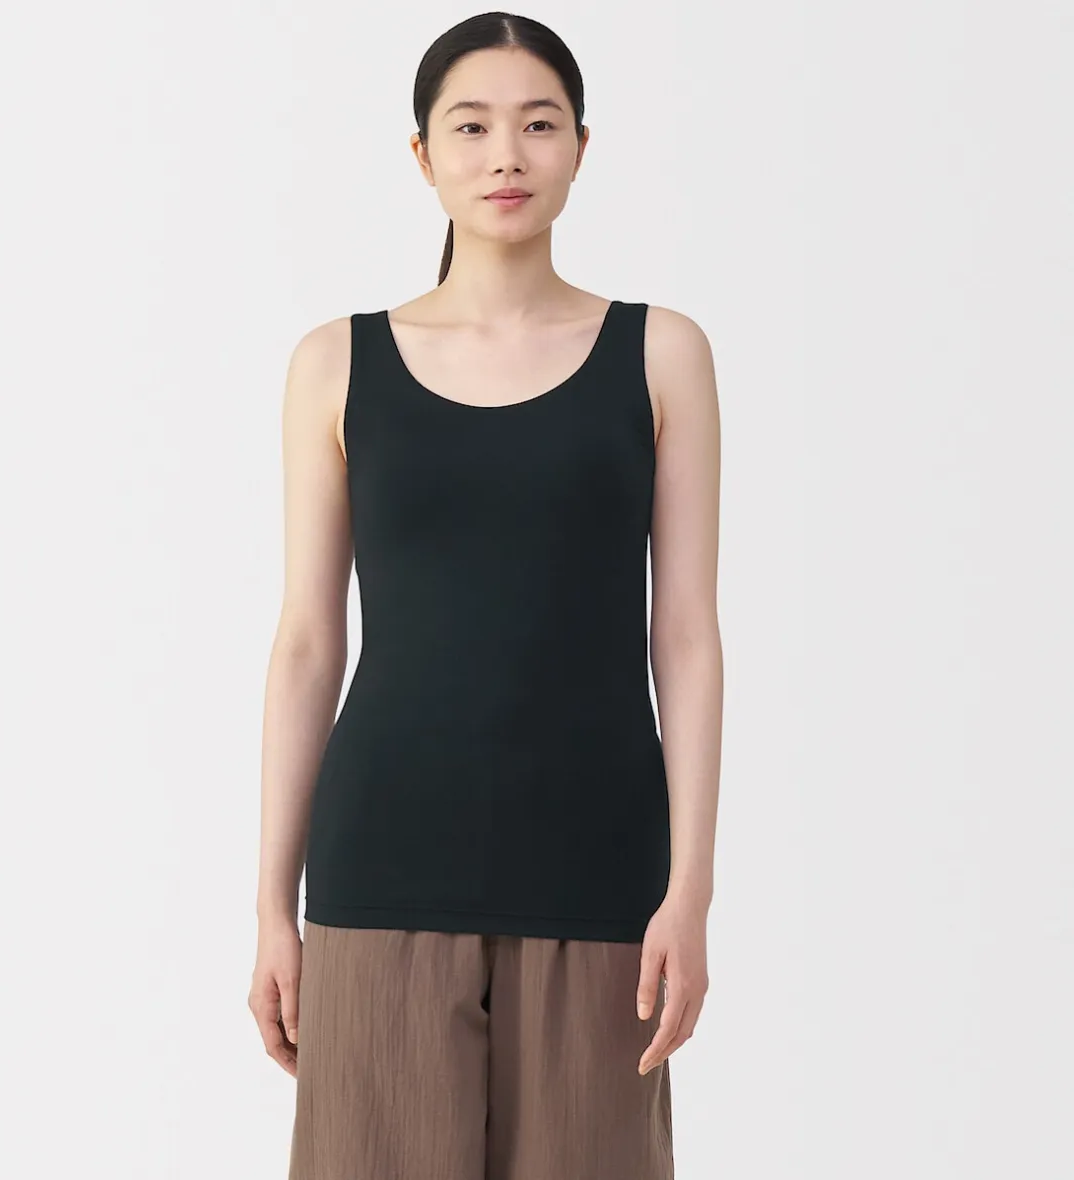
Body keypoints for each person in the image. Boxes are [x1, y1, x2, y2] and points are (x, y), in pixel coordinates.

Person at [249, 12, 723, 1180]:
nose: (505, 153)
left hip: (601, 869)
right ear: (422, 154)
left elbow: (686, 638)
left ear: (580, 146)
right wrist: (270, 906)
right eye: (470, 126)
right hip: (379, 866)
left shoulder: (660, 353)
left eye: (538, 124)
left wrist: (690, 891)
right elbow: (307, 643)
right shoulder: (334, 363)